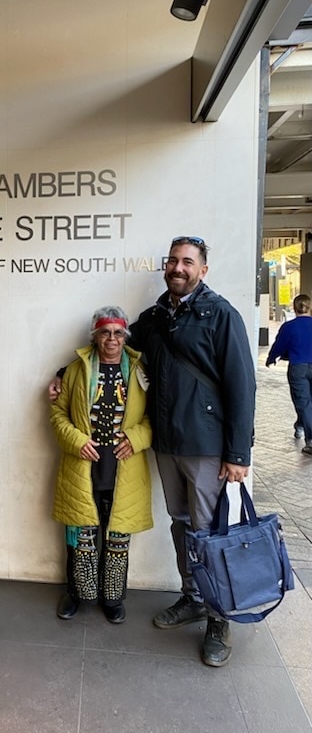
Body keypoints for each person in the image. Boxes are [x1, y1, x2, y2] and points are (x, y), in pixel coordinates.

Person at [49, 236, 256, 667]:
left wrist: (238, 453)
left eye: (188, 262)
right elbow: (113, 347)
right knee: (182, 526)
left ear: (203, 269)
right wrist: (59, 376)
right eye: (173, 261)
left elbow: (242, 384)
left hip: (206, 445)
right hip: (166, 444)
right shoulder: (155, 317)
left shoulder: (220, 315)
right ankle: (193, 598)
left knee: (209, 532)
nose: (178, 268)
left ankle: (219, 621)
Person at [50, 305, 153, 624]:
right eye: (105, 332)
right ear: (94, 336)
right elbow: (57, 415)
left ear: (125, 336)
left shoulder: (139, 371)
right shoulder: (73, 371)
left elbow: (153, 418)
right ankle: (77, 593)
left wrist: (136, 438)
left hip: (124, 471)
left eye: (118, 333)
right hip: (82, 470)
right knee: (80, 538)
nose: (112, 339)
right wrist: (77, 441)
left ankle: (113, 597)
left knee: (118, 538)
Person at [266, 293, 312, 455]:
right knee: (307, 403)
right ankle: (301, 425)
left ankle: (309, 439)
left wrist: (271, 358)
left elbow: (279, 345)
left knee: (303, 403)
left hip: (298, 367)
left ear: (295, 307)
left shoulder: (289, 327)